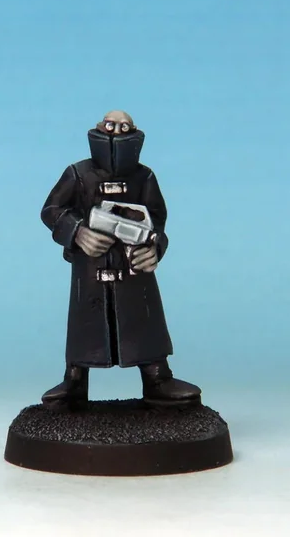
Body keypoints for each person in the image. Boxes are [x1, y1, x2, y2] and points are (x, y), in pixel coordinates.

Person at [40, 110, 201, 408]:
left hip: (133, 266)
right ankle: (75, 380)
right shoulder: (77, 174)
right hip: (91, 267)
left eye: (124, 127)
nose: (116, 132)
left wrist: (155, 248)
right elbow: (51, 210)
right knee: (86, 322)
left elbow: (158, 221)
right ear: (99, 128)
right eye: (110, 125)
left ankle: (157, 377)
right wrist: (78, 232)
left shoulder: (144, 177)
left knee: (144, 318)